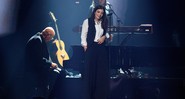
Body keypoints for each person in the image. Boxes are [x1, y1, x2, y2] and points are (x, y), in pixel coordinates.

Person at [81, 5, 110, 99]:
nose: (100, 14)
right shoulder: (87, 21)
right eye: (98, 12)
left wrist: (104, 36)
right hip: (91, 48)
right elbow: (83, 35)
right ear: (94, 12)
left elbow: (108, 33)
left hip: (101, 49)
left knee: (100, 73)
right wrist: (85, 46)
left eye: (102, 13)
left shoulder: (104, 22)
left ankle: (99, 96)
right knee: (90, 73)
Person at [24, 27, 58, 99]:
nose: (50, 40)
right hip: (34, 73)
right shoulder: (37, 40)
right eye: (51, 37)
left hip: (36, 72)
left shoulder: (39, 39)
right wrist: (51, 64)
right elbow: (37, 58)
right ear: (48, 35)